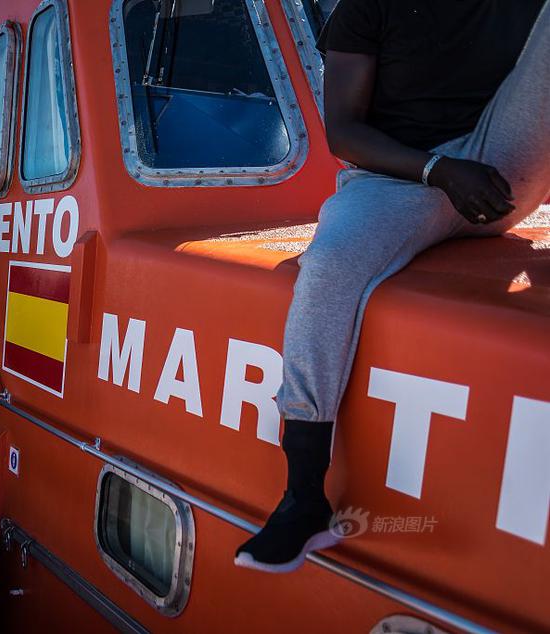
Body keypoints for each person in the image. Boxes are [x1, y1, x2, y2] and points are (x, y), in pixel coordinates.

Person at [235, 2, 550, 573]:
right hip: (399, 178)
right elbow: (344, 133)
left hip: (501, 170)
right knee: (327, 267)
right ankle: (303, 495)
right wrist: (439, 171)